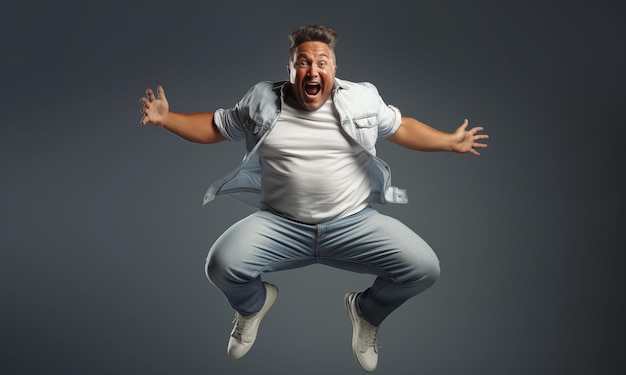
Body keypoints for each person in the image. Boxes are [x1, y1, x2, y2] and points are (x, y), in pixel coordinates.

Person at [139, 25, 488, 372]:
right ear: (290, 70)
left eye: (322, 61)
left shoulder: (362, 99)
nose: (313, 69)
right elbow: (217, 126)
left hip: (352, 223)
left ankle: (367, 312)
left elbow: (401, 127)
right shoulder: (261, 99)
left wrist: (448, 141)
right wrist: (167, 118)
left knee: (424, 268)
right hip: (279, 224)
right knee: (221, 265)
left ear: (334, 69)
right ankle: (252, 307)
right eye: (302, 62)